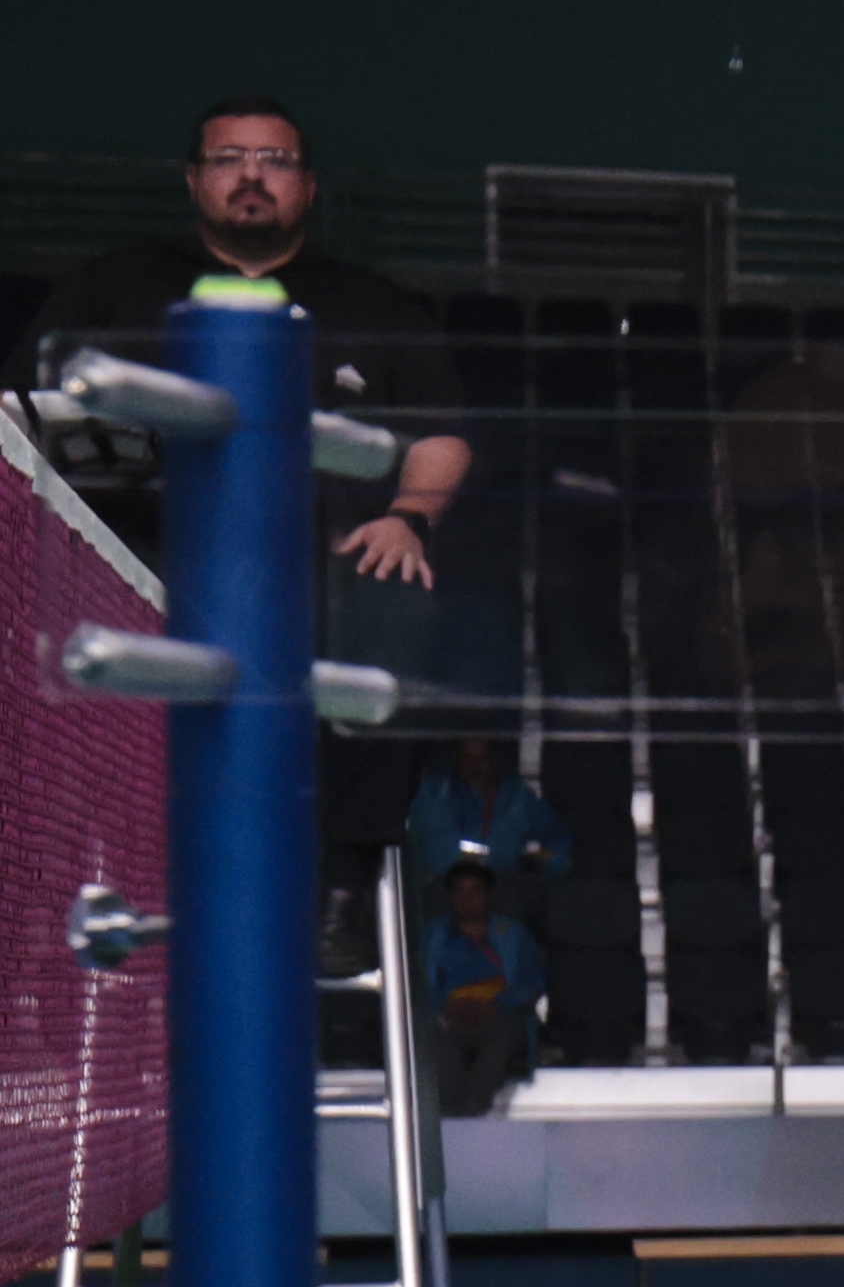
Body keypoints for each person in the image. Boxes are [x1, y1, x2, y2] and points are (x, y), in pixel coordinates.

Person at [9, 96, 473, 975]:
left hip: (311, 569)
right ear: (195, 179)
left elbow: (441, 436)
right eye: (230, 158)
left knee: (390, 596)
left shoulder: (372, 303)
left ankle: (332, 890)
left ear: (306, 186)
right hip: (143, 565)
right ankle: (72, 890)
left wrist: (407, 519)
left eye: (275, 159)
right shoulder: (114, 286)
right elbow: (21, 417)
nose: (252, 176)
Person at [420, 852, 545, 1116]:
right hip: (448, 1014)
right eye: (460, 892)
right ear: (450, 896)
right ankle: (448, 1107)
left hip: (498, 1013)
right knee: (434, 1035)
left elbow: (534, 984)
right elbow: (419, 984)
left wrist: (496, 1004)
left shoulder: (514, 934)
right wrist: (448, 1005)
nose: (468, 899)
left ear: (488, 895)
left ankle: (474, 1106)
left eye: (476, 891)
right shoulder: (431, 935)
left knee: (503, 1035)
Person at [405, 737, 571, 921]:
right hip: (437, 898)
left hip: (498, 900)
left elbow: (558, 854)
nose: (473, 766)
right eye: (466, 758)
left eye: (481, 759)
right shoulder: (428, 794)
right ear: (456, 759)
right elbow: (399, 839)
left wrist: (533, 853)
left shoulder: (518, 799)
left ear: (494, 760)